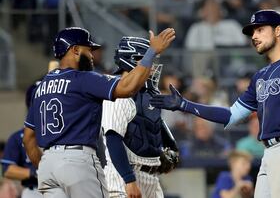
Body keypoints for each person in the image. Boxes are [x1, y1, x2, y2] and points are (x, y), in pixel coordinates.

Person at [150, 9, 280, 197]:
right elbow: (231, 116)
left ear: (278, 30)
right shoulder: (260, 76)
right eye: (253, 32)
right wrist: (185, 105)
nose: (254, 36)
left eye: (260, 29)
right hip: (269, 152)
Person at [22, 27, 175, 198]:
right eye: (89, 50)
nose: (93, 56)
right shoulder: (83, 78)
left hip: (48, 167)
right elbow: (127, 87)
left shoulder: (41, 87)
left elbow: (28, 138)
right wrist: (151, 51)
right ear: (76, 50)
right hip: (77, 160)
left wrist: (42, 165)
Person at [101, 36, 179, 198]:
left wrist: (171, 147)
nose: (152, 67)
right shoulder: (117, 90)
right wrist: (129, 180)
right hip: (123, 175)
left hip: (151, 176)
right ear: (131, 60)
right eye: (147, 59)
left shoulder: (148, 92)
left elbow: (154, 122)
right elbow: (113, 137)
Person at [1, 84, 41, 198]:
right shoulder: (18, 137)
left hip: (61, 188)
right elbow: (8, 170)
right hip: (35, 190)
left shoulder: (62, 133)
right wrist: (34, 173)